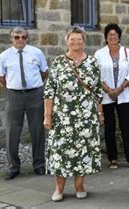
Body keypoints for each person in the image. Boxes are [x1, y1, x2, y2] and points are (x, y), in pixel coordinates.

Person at [43, 27, 103, 202]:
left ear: (83, 41)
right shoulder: (59, 62)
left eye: (79, 39)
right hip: (62, 117)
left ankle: (79, 186)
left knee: (83, 152)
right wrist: (47, 116)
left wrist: (100, 113)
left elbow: (98, 91)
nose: (76, 42)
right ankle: (59, 189)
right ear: (67, 41)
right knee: (60, 152)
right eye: (72, 39)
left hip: (86, 117)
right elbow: (49, 91)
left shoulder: (92, 62)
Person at [0, 27, 48, 180]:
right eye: (17, 37)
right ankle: (13, 167)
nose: (20, 40)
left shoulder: (36, 53)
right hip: (14, 96)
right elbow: (0, 77)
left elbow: (44, 72)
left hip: (35, 94)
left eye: (23, 37)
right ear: (11, 38)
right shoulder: (4, 56)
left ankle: (39, 164)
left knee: (37, 130)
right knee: (12, 131)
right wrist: (13, 86)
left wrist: (34, 85)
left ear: (27, 38)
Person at [94, 23, 129, 171]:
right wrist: (108, 90)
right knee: (109, 128)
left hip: (124, 95)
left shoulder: (127, 52)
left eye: (115, 34)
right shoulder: (99, 54)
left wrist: (119, 90)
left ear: (119, 36)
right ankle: (112, 158)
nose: (112, 37)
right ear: (106, 37)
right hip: (106, 96)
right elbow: (96, 75)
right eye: (109, 35)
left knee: (126, 127)